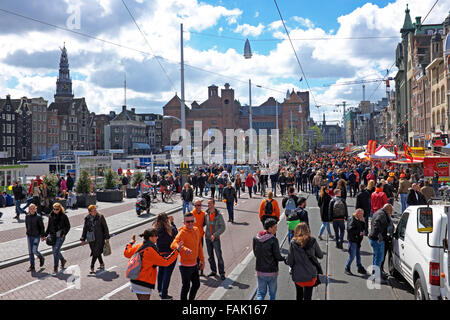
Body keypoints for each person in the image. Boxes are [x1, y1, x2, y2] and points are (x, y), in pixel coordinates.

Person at [124, 229, 182, 300]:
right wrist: (177, 251)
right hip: (143, 283)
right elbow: (166, 262)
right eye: (156, 236)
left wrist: (131, 243)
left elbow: (127, 253)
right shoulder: (150, 250)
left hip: (135, 280)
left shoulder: (140, 246)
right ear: (150, 238)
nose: (157, 237)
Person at [170, 212, 205, 300]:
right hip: (185, 266)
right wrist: (183, 248)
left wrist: (202, 260)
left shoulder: (196, 230)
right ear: (184, 223)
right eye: (188, 222)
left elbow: (199, 246)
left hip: (194, 264)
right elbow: (173, 244)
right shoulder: (182, 232)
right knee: (186, 287)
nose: (190, 223)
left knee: (196, 284)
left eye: (192, 221)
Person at [287, 222, 323, 301]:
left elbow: (290, 261)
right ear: (307, 230)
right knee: (308, 295)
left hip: (298, 275)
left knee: (299, 294)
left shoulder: (293, 243)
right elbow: (320, 255)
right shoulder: (312, 241)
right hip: (310, 275)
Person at [252, 218, 286, 300]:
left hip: (260, 270)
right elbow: (277, 256)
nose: (276, 229)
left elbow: (256, 253)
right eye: (275, 227)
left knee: (260, 293)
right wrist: (285, 258)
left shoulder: (256, 238)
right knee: (272, 293)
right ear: (269, 228)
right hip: (271, 271)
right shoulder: (273, 240)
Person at [154, 213, 179, 300]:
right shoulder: (170, 229)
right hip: (169, 254)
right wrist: (172, 223)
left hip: (160, 254)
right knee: (167, 274)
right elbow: (176, 234)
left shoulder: (156, 229)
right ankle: (164, 294)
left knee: (160, 272)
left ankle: (160, 290)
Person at [80, 205, 110, 274]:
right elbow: (85, 229)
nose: (93, 212)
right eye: (92, 211)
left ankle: (92, 267)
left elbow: (105, 227)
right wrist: (83, 239)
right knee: (95, 251)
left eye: (94, 210)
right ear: (89, 212)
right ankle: (102, 264)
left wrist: (107, 237)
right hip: (91, 238)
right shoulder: (87, 218)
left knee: (95, 251)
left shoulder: (100, 217)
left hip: (100, 237)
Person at [42, 202, 71, 274]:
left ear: (60, 209)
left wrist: (64, 233)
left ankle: (55, 267)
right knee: (56, 251)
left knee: (55, 251)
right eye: (54, 209)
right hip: (53, 236)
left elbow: (68, 226)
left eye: (57, 209)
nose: (55, 210)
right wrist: (45, 235)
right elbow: (49, 226)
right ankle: (62, 260)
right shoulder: (51, 216)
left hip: (60, 236)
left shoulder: (63, 216)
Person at [368, 204, 393, 282]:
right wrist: (380, 236)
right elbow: (376, 225)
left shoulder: (379, 212)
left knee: (377, 257)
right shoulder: (382, 215)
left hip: (374, 238)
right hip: (377, 240)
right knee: (379, 258)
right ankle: (376, 277)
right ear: (388, 210)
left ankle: (375, 274)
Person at [204, 199, 226, 280]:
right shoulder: (206, 214)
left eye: (210, 203)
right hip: (208, 238)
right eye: (208, 203)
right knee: (210, 256)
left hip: (215, 238)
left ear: (214, 204)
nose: (208, 205)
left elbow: (223, 227)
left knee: (219, 256)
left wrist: (215, 234)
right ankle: (213, 271)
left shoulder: (219, 215)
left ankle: (222, 273)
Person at [344, 209, 367, 275]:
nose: (362, 215)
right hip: (353, 240)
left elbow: (362, 228)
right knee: (352, 256)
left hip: (358, 240)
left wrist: (363, 222)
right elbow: (350, 230)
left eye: (363, 214)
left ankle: (359, 267)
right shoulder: (352, 219)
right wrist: (359, 233)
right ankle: (347, 267)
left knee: (358, 255)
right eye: (360, 214)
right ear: (357, 213)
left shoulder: (359, 219)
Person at [25, 204, 45, 272]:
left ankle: (41, 257)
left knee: (34, 250)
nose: (32, 210)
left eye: (33, 208)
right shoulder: (27, 216)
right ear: (29, 209)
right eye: (30, 208)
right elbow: (26, 225)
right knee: (30, 252)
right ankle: (32, 266)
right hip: (29, 236)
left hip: (36, 236)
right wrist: (27, 232)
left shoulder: (38, 217)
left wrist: (42, 235)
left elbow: (42, 227)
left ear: (35, 209)